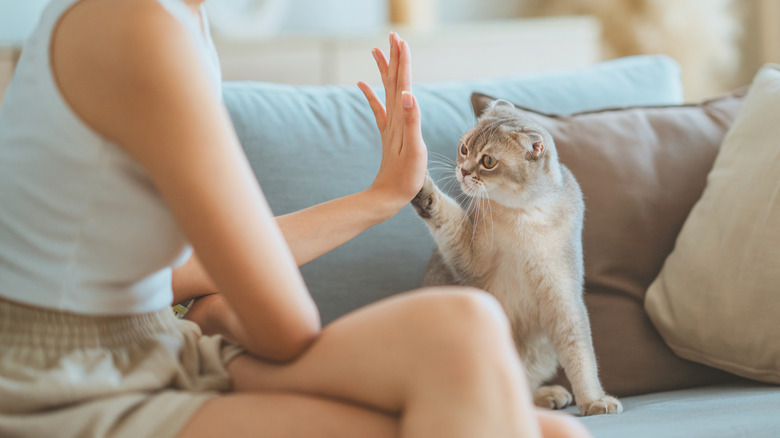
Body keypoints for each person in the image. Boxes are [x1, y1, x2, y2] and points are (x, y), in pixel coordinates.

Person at [0, 0, 593, 437]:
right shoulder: (135, 25)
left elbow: (175, 268)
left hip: (153, 343)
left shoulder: (182, 18)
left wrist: (384, 195)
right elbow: (283, 324)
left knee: (512, 378)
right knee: (493, 377)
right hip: (64, 382)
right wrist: (233, 320)